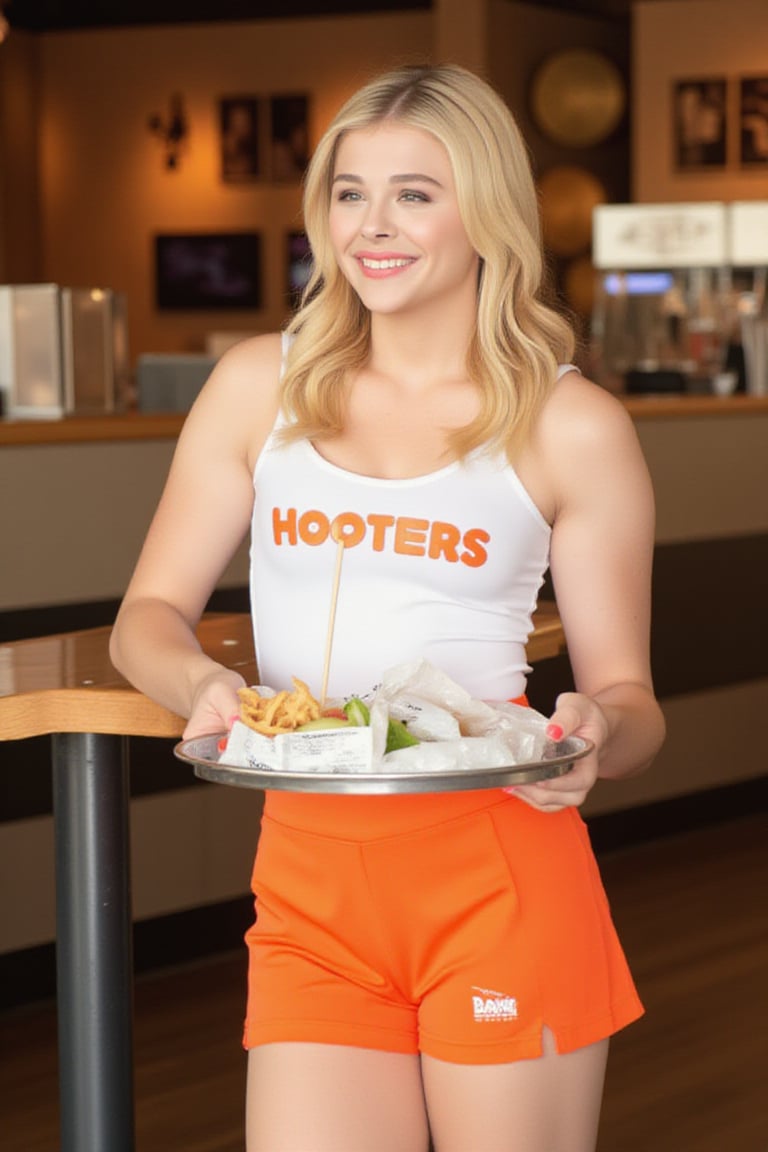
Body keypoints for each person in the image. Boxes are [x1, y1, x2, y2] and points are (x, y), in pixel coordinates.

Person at [110, 63, 666, 1152]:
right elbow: (148, 616)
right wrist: (204, 685)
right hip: (309, 887)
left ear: (488, 212)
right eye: (349, 192)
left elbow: (632, 698)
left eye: (415, 192)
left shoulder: (572, 426)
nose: (373, 225)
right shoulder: (258, 388)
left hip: (499, 880)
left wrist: (600, 733)